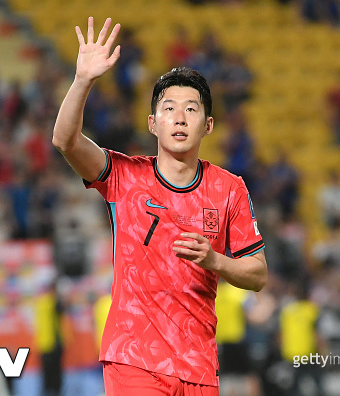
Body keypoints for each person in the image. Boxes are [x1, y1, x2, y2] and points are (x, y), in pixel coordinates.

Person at [52, 17, 268, 395]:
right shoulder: (123, 176)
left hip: (199, 365)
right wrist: (83, 80)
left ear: (209, 125)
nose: (180, 117)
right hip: (133, 358)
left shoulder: (229, 188)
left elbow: (258, 274)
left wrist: (216, 261)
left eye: (191, 109)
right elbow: (65, 141)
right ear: (153, 123)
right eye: (169, 109)